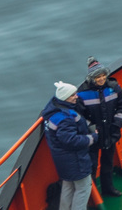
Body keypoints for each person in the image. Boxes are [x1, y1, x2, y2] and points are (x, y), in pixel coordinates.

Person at [77, 60, 122, 199]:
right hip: (93, 137)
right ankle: (93, 197)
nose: (101, 79)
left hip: (111, 133)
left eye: (103, 75)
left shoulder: (114, 87)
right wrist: (92, 129)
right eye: (97, 77)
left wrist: (116, 124)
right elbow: (79, 116)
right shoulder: (82, 93)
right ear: (91, 78)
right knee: (92, 166)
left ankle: (108, 189)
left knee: (108, 163)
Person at [43, 82, 98, 210]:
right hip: (75, 160)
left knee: (68, 186)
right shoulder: (65, 118)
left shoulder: (52, 111)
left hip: (63, 161)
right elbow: (71, 140)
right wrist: (93, 137)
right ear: (65, 97)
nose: (76, 96)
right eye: (72, 95)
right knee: (83, 189)